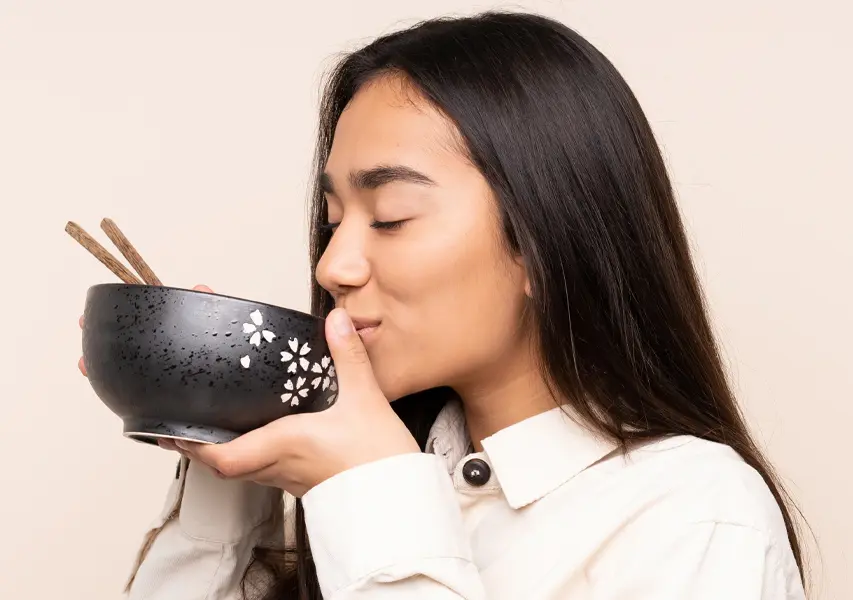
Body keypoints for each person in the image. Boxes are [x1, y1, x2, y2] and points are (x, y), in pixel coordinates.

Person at [78, 11, 808, 600]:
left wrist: (370, 489)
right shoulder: (347, 497)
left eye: (390, 215)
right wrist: (226, 458)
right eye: (332, 221)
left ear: (545, 240)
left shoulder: (693, 517)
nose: (333, 265)